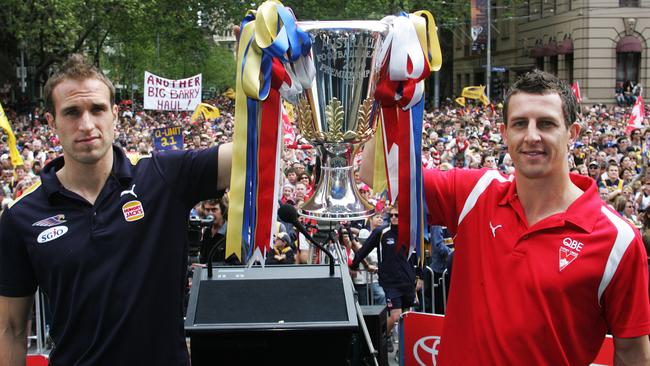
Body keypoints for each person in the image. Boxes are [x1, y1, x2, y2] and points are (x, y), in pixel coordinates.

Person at [358, 70, 650, 364]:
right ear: (504, 133)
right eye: (520, 123)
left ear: (572, 133)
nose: (532, 136)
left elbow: (632, 353)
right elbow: (375, 174)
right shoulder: (476, 192)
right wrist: (387, 92)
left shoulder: (618, 241)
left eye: (547, 124)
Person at [0, 54, 232, 366]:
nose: (86, 124)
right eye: (71, 112)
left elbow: (252, 155)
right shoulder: (20, 216)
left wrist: (253, 64)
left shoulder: (164, 177)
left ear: (115, 114)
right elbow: (11, 329)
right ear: (51, 122)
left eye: (97, 109)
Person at [350, 207, 423, 350]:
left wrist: (420, 276)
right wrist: (354, 264)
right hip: (390, 282)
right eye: (391, 215)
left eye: (397, 215)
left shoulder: (411, 232)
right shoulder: (381, 232)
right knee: (396, 316)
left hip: (408, 281)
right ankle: (377, 343)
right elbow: (365, 249)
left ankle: (402, 351)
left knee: (406, 317)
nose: (394, 217)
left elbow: (419, 255)